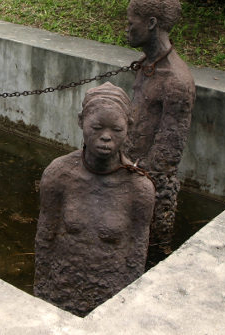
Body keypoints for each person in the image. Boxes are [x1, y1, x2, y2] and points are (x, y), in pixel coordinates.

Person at [34, 82, 155, 316]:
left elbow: (136, 256)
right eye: (97, 127)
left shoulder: (139, 188)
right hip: (61, 292)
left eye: (116, 130)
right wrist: (40, 293)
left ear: (128, 128)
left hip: (108, 299)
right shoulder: (59, 174)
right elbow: (44, 240)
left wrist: (124, 308)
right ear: (81, 122)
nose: (106, 138)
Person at [124, 0, 196, 259]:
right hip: (129, 169)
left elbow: (168, 154)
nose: (127, 29)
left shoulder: (176, 80)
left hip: (146, 187)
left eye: (132, 23)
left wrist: (127, 177)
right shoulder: (148, 64)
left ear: (151, 24)